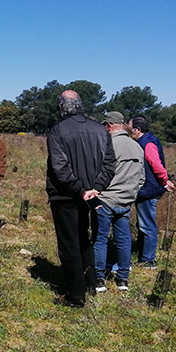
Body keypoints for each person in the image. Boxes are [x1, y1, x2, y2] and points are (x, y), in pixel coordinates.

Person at [46, 90, 115, 307]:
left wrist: (82, 189)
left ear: (61, 106)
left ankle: (75, 296)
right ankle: (91, 282)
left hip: (66, 195)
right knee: (83, 239)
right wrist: (95, 188)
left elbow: (60, 167)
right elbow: (110, 164)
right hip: (88, 194)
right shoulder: (99, 129)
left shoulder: (57, 130)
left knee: (69, 245)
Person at [92, 111, 145, 291]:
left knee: (100, 239)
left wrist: (96, 192)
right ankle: (123, 279)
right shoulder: (137, 146)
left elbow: (97, 172)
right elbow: (141, 178)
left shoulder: (108, 145)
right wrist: (131, 193)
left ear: (109, 126)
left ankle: (99, 278)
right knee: (123, 240)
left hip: (106, 199)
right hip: (126, 201)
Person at [128, 115, 175, 268]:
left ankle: (148, 260)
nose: (129, 131)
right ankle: (143, 254)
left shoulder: (147, 143)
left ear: (137, 129)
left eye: (130, 128)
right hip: (148, 189)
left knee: (147, 224)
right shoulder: (146, 140)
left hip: (149, 190)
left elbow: (156, 164)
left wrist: (163, 181)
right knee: (143, 222)